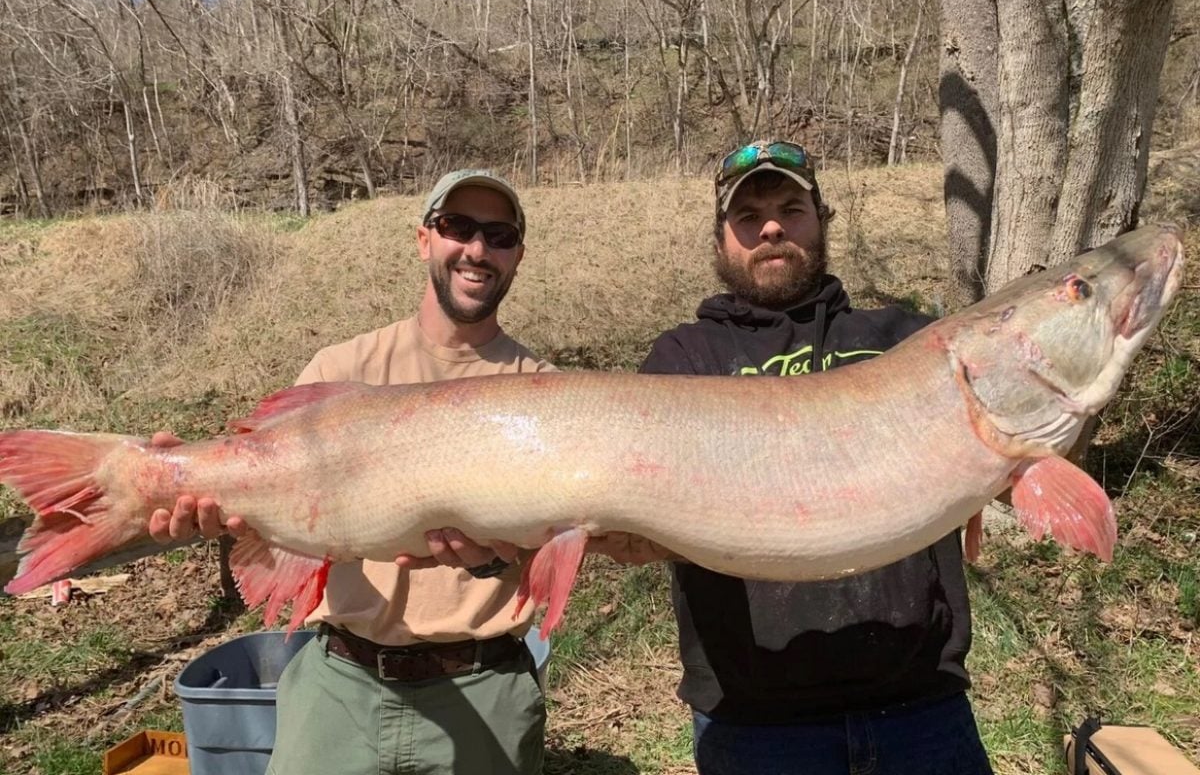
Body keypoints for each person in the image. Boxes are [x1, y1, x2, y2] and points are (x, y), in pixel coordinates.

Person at [148, 169, 553, 775]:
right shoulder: (341, 369)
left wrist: (492, 559)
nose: (476, 250)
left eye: (498, 235)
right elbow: (268, 508)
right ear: (423, 240)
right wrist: (190, 497)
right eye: (457, 227)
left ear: (518, 255)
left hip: (485, 684)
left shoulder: (549, 393)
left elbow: (558, 547)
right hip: (338, 683)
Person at [635, 140, 994, 774]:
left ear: (820, 219)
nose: (771, 227)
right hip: (757, 721)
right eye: (748, 217)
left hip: (920, 706)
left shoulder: (902, 340)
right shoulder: (682, 362)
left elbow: (1026, 456)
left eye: (790, 208)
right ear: (721, 240)